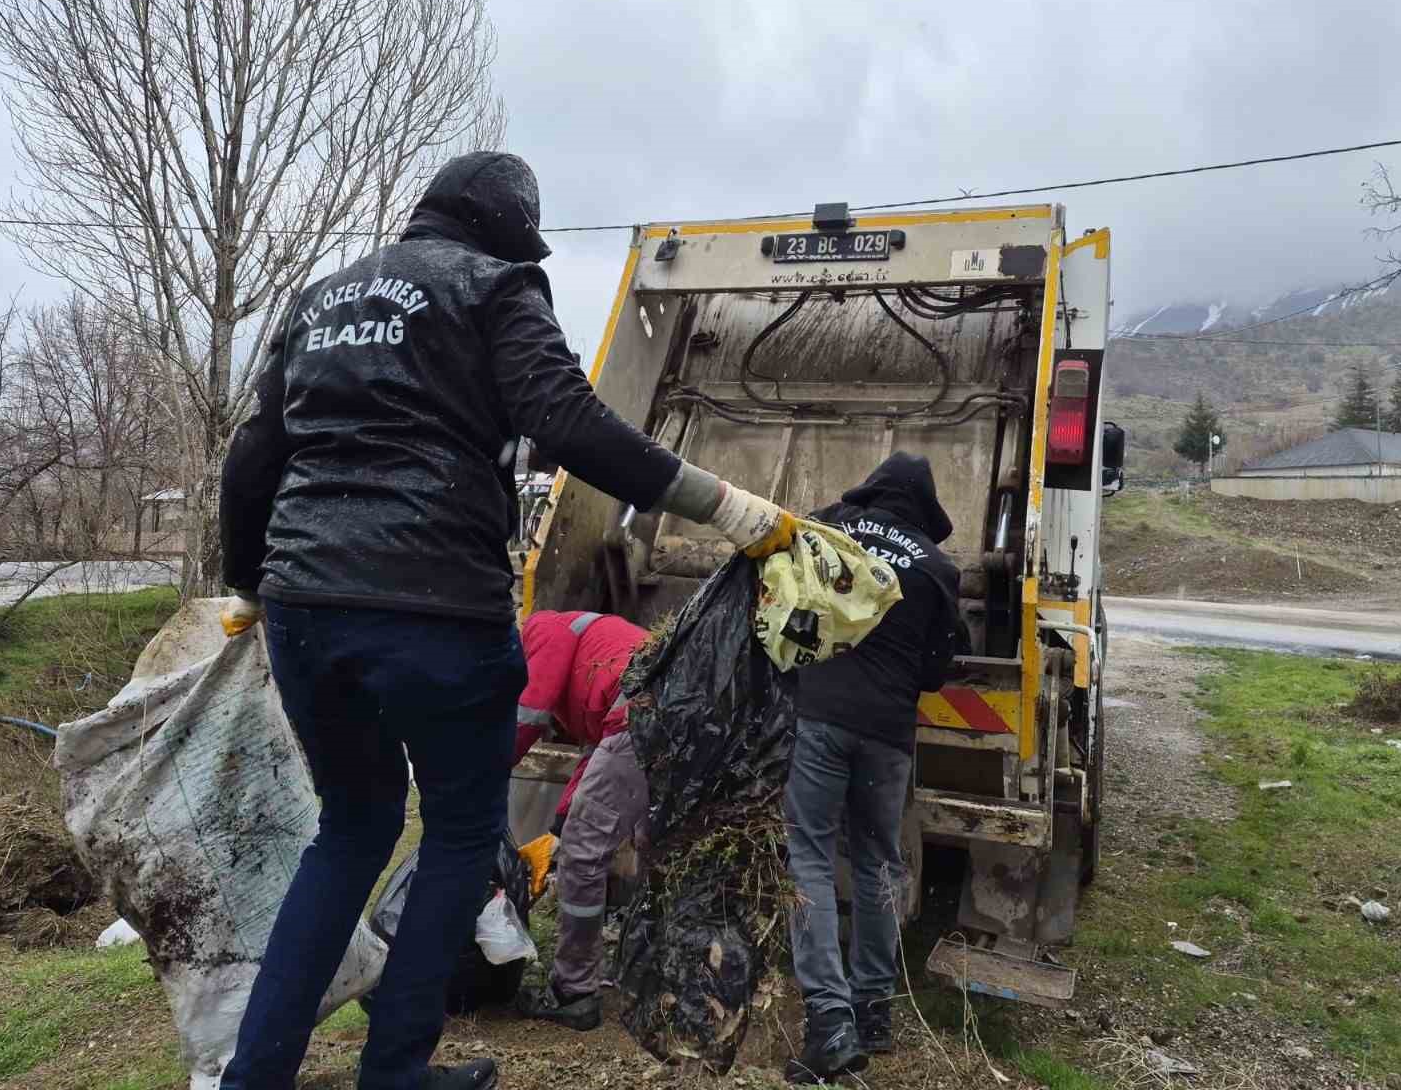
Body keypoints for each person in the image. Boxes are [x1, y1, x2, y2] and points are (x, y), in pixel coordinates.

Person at [215, 152, 793, 1090]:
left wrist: (247, 582)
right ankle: (393, 1071)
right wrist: (723, 507)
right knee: (456, 830)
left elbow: (254, 455)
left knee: (350, 829)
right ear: (503, 231)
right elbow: (564, 418)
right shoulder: (494, 286)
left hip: (304, 611)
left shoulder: (318, 299)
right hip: (436, 607)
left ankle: (254, 1077)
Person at [782, 453, 960, 1085]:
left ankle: (829, 1020)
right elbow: (937, 672)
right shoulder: (939, 568)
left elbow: (784, 590)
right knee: (879, 860)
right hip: (887, 736)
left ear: (874, 491)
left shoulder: (830, 526)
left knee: (808, 854)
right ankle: (874, 1011)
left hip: (821, 717)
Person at [506, 609, 648, 1032]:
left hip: (641, 714)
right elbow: (598, 755)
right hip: (668, 715)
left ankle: (574, 991)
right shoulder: (598, 651)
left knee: (584, 856)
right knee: (652, 849)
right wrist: (559, 826)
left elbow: (530, 712)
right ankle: (647, 969)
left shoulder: (540, 628)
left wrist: (484, 771)